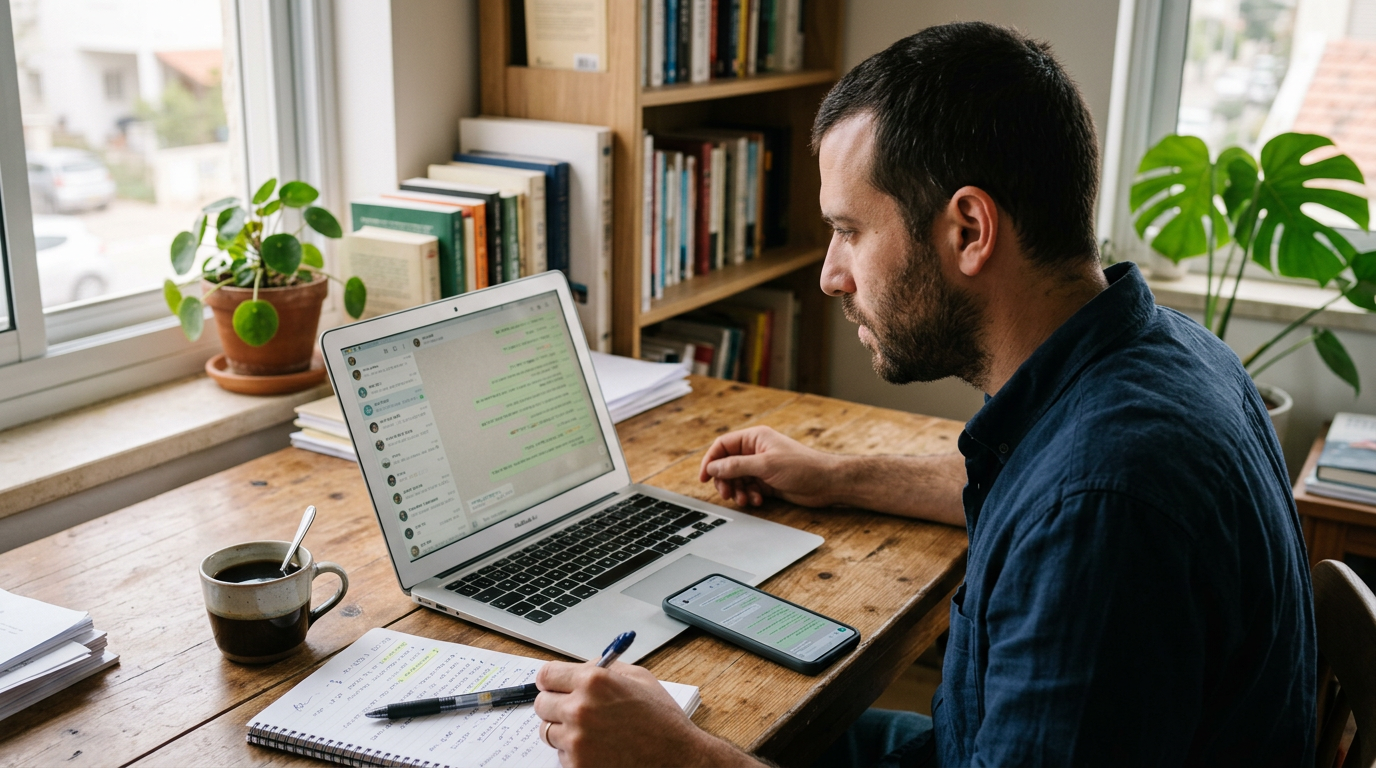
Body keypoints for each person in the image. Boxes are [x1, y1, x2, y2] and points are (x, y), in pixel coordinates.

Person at [533, 22, 1315, 768]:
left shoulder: (1100, 510)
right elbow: (1036, 484)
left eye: (851, 230)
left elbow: (1072, 503)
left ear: (970, 230)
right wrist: (836, 477)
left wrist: (677, 759)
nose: (831, 275)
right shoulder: (1165, 355)